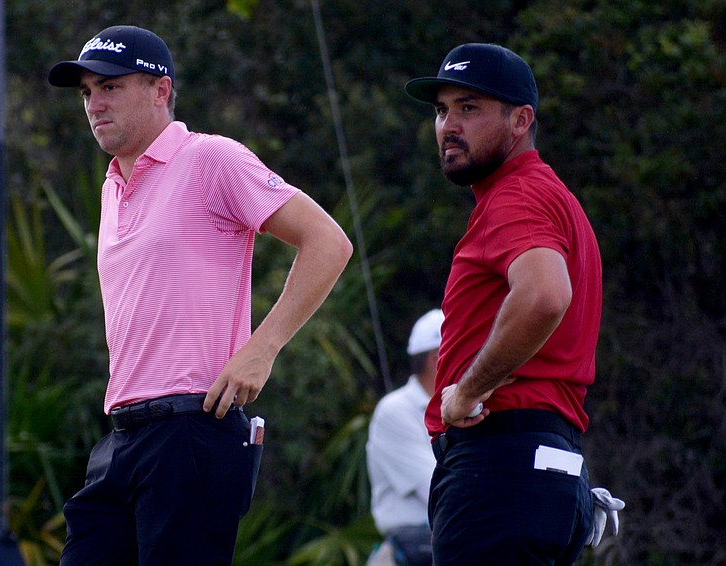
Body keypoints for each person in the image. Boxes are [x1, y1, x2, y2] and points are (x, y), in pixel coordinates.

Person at [47, 25, 353, 565]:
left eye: (111, 87)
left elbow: (328, 242)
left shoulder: (212, 158)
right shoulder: (111, 186)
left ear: (160, 90)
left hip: (192, 431)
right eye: (87, 91)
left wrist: (264, 347)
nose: (94, 103)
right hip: (121, 439)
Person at [404, 43, 603, 565]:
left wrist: (468, 390)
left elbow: (544, 295)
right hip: (548, 468)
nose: (449, 125)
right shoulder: (549, 194)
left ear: (521, 120)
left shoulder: (517, 195)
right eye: (442, 110)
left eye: (469, 108)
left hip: (499, 468)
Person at [366, 309, 443, 566]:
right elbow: (438, 491)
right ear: (437, 359)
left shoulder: (462, 410)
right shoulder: (395, 411)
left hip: (444, 546)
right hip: (408, 553)